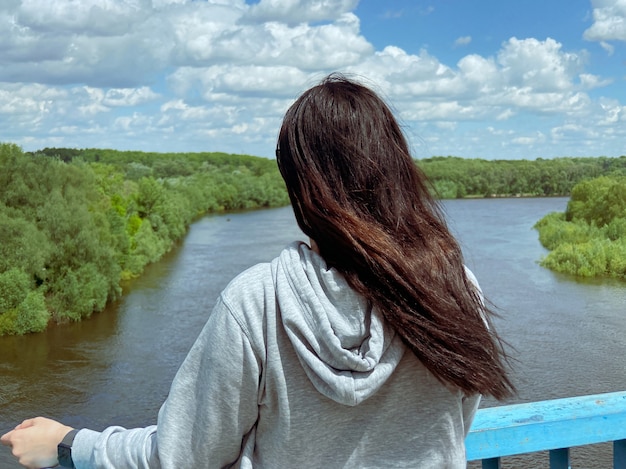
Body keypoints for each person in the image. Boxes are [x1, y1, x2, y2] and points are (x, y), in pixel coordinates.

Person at [1, 74, 514, 468]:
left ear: (302, 189)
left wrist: (70, 444)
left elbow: (184, 457)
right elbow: (454, 423)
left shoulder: (260, 302)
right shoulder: (456, 288)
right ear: (397, 171)